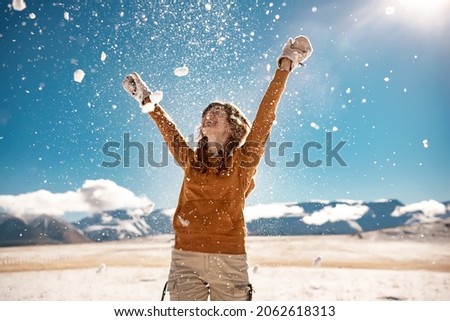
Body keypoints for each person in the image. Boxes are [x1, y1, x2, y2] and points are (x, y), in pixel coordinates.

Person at [122, 35, 313, 301]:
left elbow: (265, 116)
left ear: (232, 126)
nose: (208, 115)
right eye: (206, 112)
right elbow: (170, 132)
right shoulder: (191, 161)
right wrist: (147, 101)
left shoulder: (243, 161)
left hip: (229, 260)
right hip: (184, 260)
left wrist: (285, 65)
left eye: (217, 112)